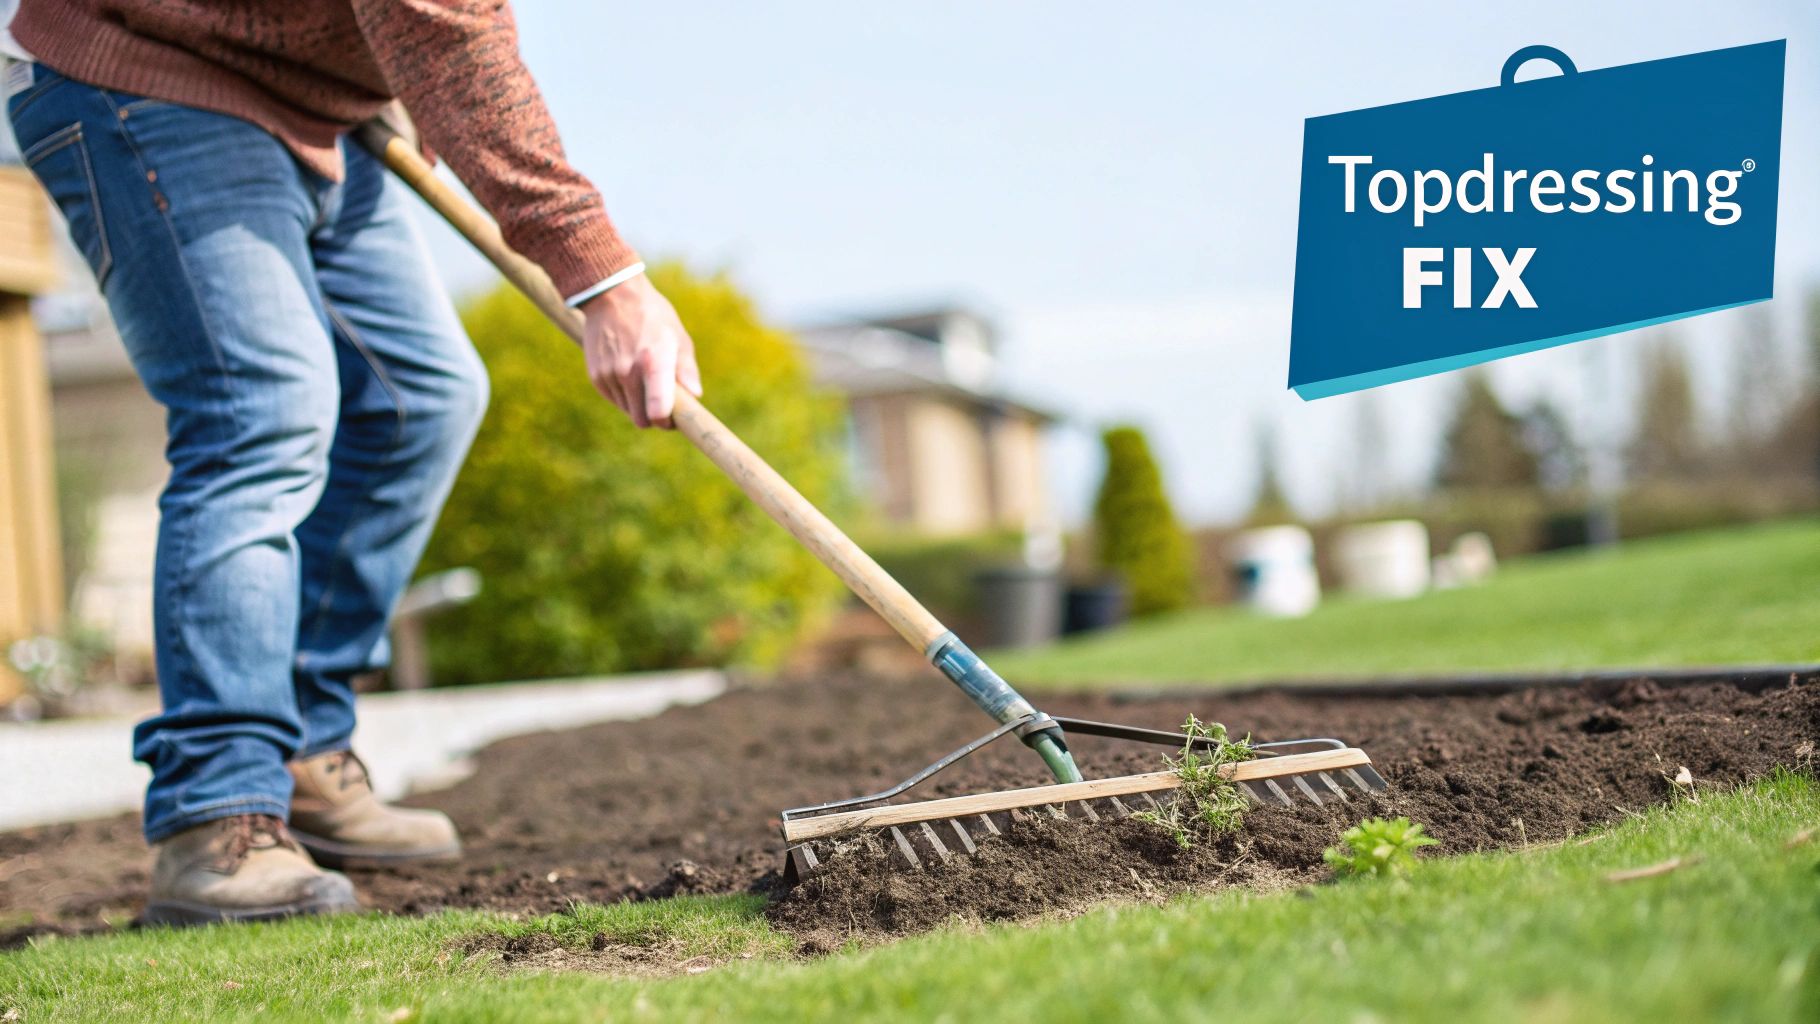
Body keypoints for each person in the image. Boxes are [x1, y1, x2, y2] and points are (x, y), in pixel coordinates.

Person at [2, 1, 700, 925]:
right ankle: (216, 813)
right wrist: (603, 275)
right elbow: (450, 32)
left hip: (314, 110)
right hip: (146, 71)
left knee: (422, 399)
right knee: (260, 412)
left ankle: (296, 752)